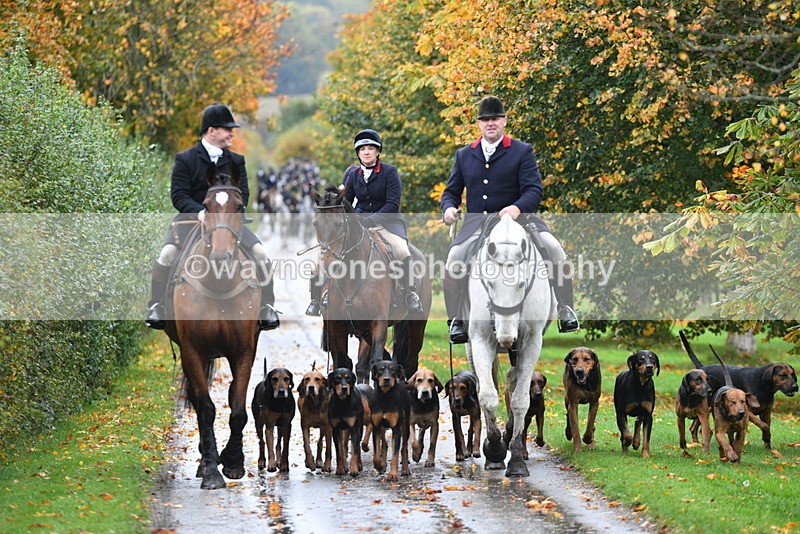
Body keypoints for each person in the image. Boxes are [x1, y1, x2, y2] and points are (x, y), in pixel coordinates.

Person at [440, 95, 579, 343]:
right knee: (454, 259)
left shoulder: (521, 150)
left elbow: (534, 190)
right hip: (477, 223)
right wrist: (449, 208)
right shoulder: (464, 154)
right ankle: (456, 321)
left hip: (520, 221)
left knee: (554, 249)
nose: (490, 123)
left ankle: (566, 309)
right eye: (485, 120)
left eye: (495, 118)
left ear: (504, 121)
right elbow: (451, 191)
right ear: (479, 124)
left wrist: (516, 208)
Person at [145, 103, 280, 330]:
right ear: (211, 131)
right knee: (167, 255)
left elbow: (243, 195)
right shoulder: (185, 159)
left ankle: (267, 306)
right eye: (227, 129)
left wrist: (225, 215)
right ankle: (157, 306)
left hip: (228, 224)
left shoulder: (237, 161)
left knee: (260, 253)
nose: (231, 133)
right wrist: (200, 212)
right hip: (191, 221)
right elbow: (178, 195)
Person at [305, 129, 423, 316]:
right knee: (322, 258)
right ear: (358, 153)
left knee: (401, 250)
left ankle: (410, 293)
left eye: (370, 148)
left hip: (388, 223)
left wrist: (371, 220)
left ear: (377, 152)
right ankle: (316, 300)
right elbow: (345, 202)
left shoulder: (390, 172)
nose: (366, 152)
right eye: (362, 149)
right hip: (358, 224)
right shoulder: (352, 175)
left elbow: (392, 204)